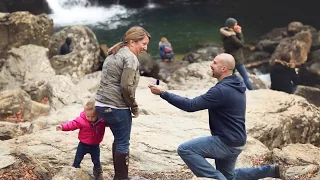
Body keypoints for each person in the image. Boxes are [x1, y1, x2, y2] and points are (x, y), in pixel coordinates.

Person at [148, 53, 283, 180]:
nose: (210, 65)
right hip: (237, 140)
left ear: (223, 68)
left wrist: (163, 93)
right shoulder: (236, 84)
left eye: (214, 62)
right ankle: (270, 171)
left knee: (185, 149)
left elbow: (190, 105)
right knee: (230, 176)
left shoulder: (221, 91)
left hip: (226, 142)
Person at [94, 26, 151, 180]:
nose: (145, 48)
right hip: (116, 107)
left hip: (100, 104)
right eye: (143, 44)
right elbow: (126, 86)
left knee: (119, 140)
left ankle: (119, 177)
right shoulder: (130, 58)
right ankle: (122, 178)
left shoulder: (115, 52)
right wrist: (134, 106)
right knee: (123, 143)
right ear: (132, 42)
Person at [56, 99, 108, 180]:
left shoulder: (102, 121)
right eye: (88, 116)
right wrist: (62, 127)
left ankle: (98, 172)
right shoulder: (81, 120)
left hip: (95, 146)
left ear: (98, 114)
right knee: (77, 158)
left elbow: (112, 122)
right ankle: (75, 169)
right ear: (85, 113)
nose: (90, 118)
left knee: (96, 160)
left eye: (93, 117)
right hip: (83, 144)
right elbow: (72, 124)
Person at [220, 18, 253, 90]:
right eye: (236, 25)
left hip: (230, 59)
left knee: (231, 77)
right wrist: (239, 33)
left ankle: (229, 90)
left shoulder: (226, 34)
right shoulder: (231, 37)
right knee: (246, 77)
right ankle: (253, 91)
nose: (237, 26)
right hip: (236, 60)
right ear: (232, 26)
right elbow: (241, 44)